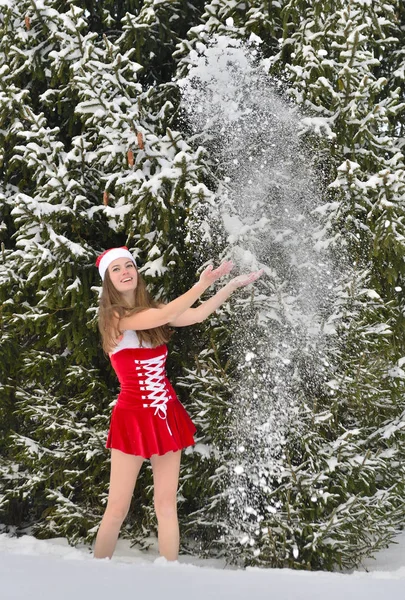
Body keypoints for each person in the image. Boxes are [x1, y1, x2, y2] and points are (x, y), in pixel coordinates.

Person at [93, 246, 263, 561]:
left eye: (128, 265)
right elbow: (167, 314)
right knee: (117, 507)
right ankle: (95, 575)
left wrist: (228, 286)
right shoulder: (114, 317)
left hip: (164, 413)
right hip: (132, 416)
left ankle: (170, 577)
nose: (125, 272)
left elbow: (195, 314)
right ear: (108, 281)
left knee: (166, 503)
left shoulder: (153, 310)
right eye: (116, 270)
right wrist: (201, 284)